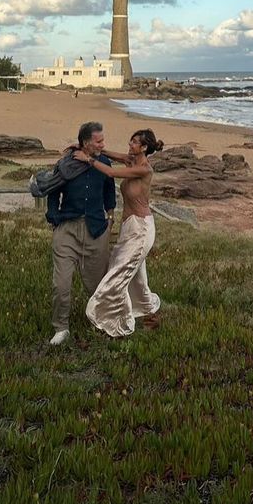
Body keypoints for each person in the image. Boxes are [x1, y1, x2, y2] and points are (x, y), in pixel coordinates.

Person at [73, 127, 164, 337]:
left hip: (141, 230)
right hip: (129, 227)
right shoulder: (132, 160)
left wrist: (88, 160)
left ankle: (115, 321)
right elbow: (110, 154)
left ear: (143, 147)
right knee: (137, 276)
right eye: (130, 141)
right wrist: (86, 149)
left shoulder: (144, 169)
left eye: (134, 142)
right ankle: (150, 312)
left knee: (118, 272)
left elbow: (112, 172)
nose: (130, 144)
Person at [46, 121, 116, 346]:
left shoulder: (104, 163)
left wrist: (111, 218)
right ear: (86, 143)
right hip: (67, 229)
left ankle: (101, 321)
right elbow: (52, 191)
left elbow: (109, 193)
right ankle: (61, 328)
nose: (103, 144)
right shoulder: (66, 164)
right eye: (99, 141)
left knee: (98, 286)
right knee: (61, 284)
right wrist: (53, 217)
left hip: (96, 230)